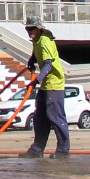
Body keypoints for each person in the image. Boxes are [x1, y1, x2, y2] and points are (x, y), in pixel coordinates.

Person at [22, 18, 69, 159]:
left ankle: (63, 150)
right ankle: (37, 149)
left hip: (54, 84)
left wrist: (36, 80)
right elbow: (37, 54)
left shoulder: (45, 40)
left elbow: (48, 64)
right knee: (40, 118)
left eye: (32, 29)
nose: (29, 31)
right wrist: (32, 60)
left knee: (55, 117)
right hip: (45, 85)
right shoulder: (36, 40)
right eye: (27, 29)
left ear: (39, 28)